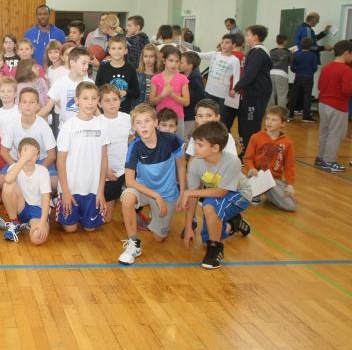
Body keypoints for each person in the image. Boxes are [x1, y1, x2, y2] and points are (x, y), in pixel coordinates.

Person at [118, 104, 185, 265]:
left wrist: (183, 192)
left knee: (158, 238)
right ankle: (133, 243)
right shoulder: (134, 146)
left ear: (155, 122)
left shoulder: (172, 140)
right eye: (139, 123)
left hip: (167, 192)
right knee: (127, 198)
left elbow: (182, 166)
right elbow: (129, 181)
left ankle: (156, 220)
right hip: (144, 189)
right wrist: (155, 195)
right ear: (134, 127)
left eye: (147, 121)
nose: (143, 126)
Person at [180, 121, 252, 269]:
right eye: (195, 143)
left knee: (209, 205)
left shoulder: (232, 162)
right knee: (205, 239)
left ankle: (216, 250)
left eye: (200, 145)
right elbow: (192, 198)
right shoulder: (195, 163)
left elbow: (222, 192)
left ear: (215, 148)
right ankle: (233, 223)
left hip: (239, 195)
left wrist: (189, 192)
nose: (195, 148)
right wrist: (188, 227)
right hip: (217, 196)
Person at [56, 82, 109, 233]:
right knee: (70, 229)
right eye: (85, 98)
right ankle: (59, 200)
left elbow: (104, 160)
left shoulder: (102, 125)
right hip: (71, 188)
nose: (90, 102)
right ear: (77, 100)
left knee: (90, 229)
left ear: (98, 100)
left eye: (93, 98)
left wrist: (100, 191)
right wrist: (65, 191)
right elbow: (60, 162)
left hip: (92, 189)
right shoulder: (68, 126)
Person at [243, 106, 297, 211]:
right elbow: (247, 158)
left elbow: (289, 166)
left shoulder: (287, 143)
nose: (269, 122)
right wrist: (251, 168)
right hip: (257, 176)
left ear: (283, 123)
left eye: (274, 120)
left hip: (274, 181)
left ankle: (270, 194)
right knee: (245, 198)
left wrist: (290, 184)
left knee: (291, 206)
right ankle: (255, 193)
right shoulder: (256, 137)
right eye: (267, 119)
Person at [1, 138, 51, 244]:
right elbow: (8, 179)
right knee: (8, 186)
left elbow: (46, 198)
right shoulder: (15, 167)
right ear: (19, 154)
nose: (30, 156)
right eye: (26, 151)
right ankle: (14, 222)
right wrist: (24, 159)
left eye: (33, 153)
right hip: (21, 207)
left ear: (38, 156)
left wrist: (42, 223)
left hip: (37, 210)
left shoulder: (43, 171)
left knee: (37, 238)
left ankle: (30, 224)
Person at [234, 25, 273, 154]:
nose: (246, 38)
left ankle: (250, 154)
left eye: (248, 35)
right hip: (251, 94)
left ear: (256, 37)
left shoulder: (258, 53)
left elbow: (250, 74)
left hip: (256, 95)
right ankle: (248, 151)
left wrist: (236, 88)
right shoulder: (255, 51)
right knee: (245, 123)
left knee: (250, 125)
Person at [315, 40, 352, 172]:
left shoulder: (327, 67)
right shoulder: (346, 70)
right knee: (336, 134)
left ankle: (321, 157)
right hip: (337, 105)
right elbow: (348, 90)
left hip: (323, 104)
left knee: (324, 132)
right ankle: (329, 161)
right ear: (347, 53)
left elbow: (319, 86)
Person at [99, 85, 133, 223]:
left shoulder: (127, 118)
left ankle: (133, 213)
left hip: (126, 168)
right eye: (107, 100)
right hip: (109, 170)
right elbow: (97, 149)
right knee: (106, 219)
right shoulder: (98, 122)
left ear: (120, 101)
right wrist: (104, 169)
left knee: (133, 194)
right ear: (99, 104)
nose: (112, 103)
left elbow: (131, 138)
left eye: (115, 99)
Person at [39, 47, 91, 125]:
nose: (87, 67)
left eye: (88, 64)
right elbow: (47, 108)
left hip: (85, 127)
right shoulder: (60, 83)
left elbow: (94, 108)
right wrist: (32, 119)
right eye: (84, 63)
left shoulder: (90, 83)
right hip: (65, 128)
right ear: (72, 63)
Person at [149, 45, 190, 140]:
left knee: (178, 144)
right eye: (171, 60)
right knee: (160, 144)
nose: (174, 64)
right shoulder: (156, 78)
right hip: (161, 118)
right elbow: (151, 101)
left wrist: (172, 95)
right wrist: (163, 95)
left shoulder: (182, 79)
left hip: (178, 118)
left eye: (177, 61)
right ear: (164, 61)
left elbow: (186, 102)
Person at [95, 35, 139, 114]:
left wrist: (125, 92)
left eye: (120, 48)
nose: (117, 51)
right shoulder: (103, 67)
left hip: (124, 111)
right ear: (109, 50)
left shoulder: (130, 69)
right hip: (106, 111)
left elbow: (136, 92)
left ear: (125, 50)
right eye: (113, 48)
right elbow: (97, 87)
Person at [288, 38, 319, 122]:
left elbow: (292, 68)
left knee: (294, 95)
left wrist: (298, 71)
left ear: (301, 45)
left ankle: (290, 114)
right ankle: (306, 116)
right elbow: (314, 68)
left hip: (298, 77)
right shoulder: (313, 55)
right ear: (311, 46)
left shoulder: (297, 54)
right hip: (308, 77)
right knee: (307, 96)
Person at [181, 51, 206, 141]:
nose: (179, 64)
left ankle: (188, 154)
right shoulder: (182, 75)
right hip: (185, 113)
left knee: (185, 137)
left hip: (190, 115)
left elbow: (200, 97)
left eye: (181, 62)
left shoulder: (195, 79)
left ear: (190, 65)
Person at [268, 34, 291, 108]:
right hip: (282, 74)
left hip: (271, 73)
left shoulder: (271, 51)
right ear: (284, 41)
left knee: (271, 95)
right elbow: (290, 63)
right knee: (282, 95)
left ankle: (270, 113)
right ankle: (281, 116)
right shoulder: (288, 52)